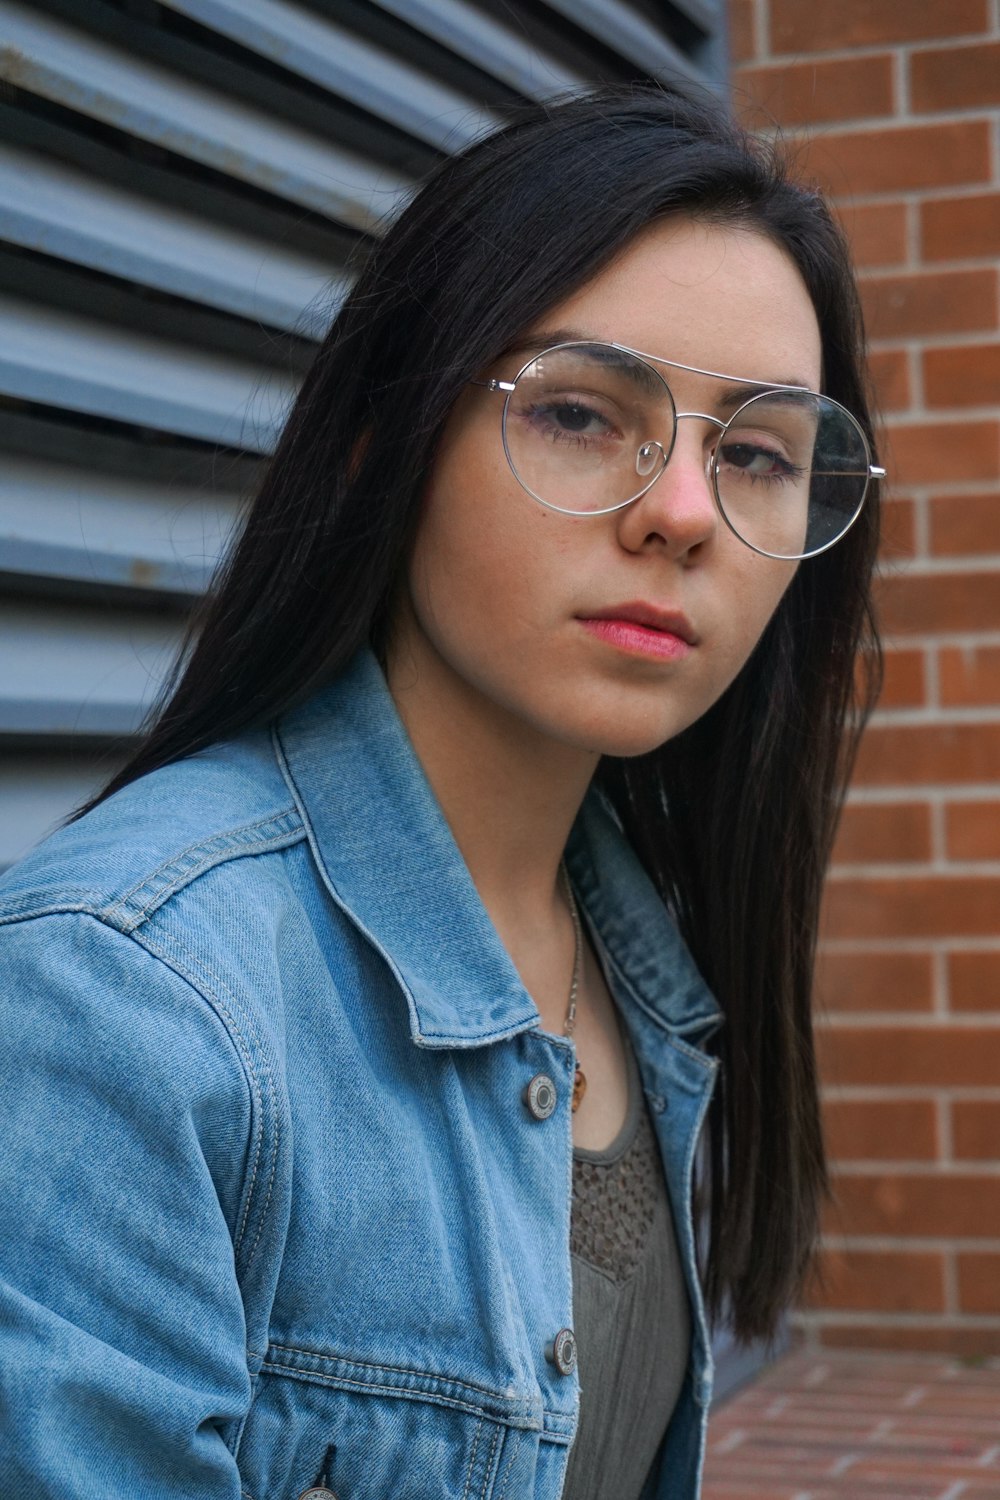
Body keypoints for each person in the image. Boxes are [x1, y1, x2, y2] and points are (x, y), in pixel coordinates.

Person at [0, 83, 882, 1500]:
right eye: (590, 415)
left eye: (760, 454)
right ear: (383, 445)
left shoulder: (640, 947)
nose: (685, 513)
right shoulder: (122, 1004)